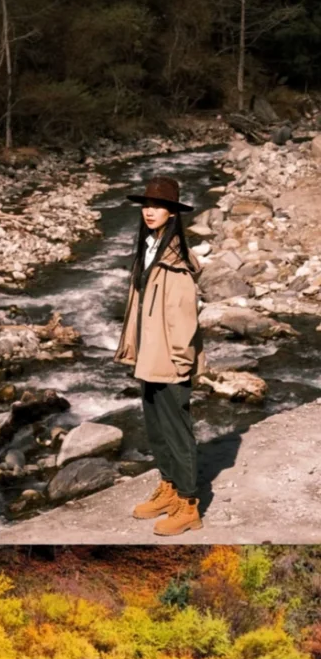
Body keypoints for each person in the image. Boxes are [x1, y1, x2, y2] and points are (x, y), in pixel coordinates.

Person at [113, 174, 206, 535]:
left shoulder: (175, 261)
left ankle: (189, 504)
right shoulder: (149, 247)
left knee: (178, 432)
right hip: (150, 359)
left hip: (170, 362)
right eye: (146, 205)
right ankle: (169, 489)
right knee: (156, 430)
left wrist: (182, 365)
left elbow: (184, 319)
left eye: (159, 206)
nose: (150, 211)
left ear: (172, 213)